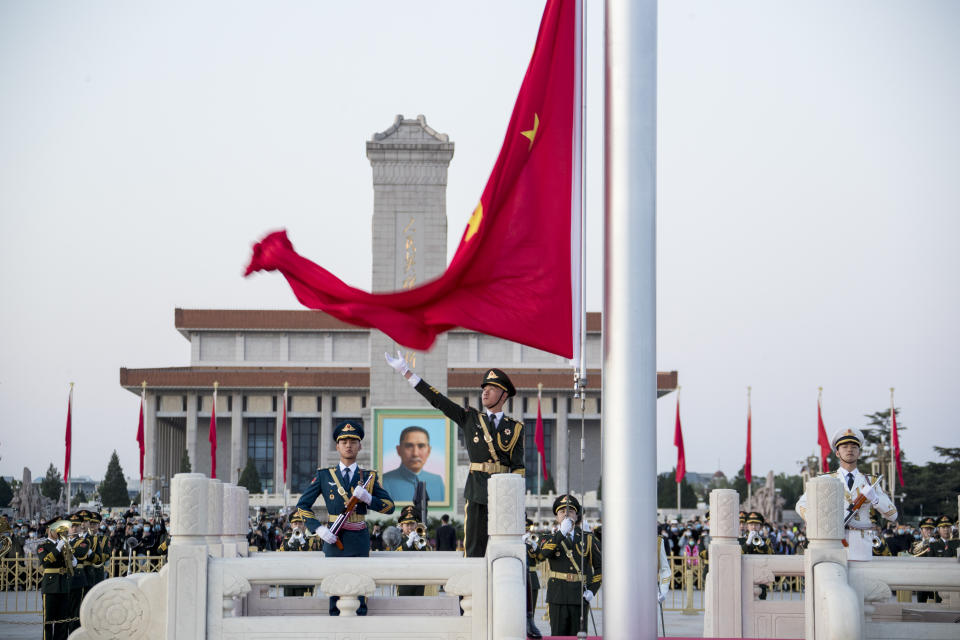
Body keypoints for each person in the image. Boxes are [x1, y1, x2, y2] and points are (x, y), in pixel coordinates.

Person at [385, 351, 524, 557]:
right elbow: (438, 400)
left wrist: (517, 500)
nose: (485, 393)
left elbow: (518, 467)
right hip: (477, 490)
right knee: (474, 548)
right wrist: (407, 373)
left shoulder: (515, 428)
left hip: (502, 492)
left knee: (504, 547)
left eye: (492, 389)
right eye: (484, 388)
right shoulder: (470, 419)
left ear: (504, 396)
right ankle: (468, 590)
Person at [295, 420, 395, 616]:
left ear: (360, 446)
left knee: (360, 589)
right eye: (344, 441)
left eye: (353, 441)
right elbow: (302, 505)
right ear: (337, 446)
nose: (348, 445)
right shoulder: (324, 475)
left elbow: (390, 507)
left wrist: (369, 498)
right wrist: (318, 529)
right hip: (334, 537)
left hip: (359, 539)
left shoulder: (369, 476)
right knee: (335, 590)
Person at [795, 427, 897, 562]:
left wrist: (875, 499)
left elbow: (893, 515)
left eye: (854, 447)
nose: (850, 449)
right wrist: (817, 520)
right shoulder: (825, 480)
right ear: (837, 453)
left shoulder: (869, 482)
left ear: (859, 452)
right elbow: (801, 505)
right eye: (845, 446)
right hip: (833, 544)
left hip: (862, 546)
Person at [536, 494, 601, 637]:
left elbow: (600, 567)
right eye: (562, 512)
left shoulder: (588, 538)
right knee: (558, 635)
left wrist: (592, 590)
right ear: (557, 517)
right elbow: (541, 556)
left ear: (576, 516)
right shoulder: (547, 537)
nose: (566, 514)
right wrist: (561, 533)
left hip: (580, 596)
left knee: (579, 636)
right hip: (557, 596)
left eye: (570, 511)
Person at [382, 425, 446, 502]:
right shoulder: (383, 482)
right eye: (409, 446)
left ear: (429, 451)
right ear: (399, 450)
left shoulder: (437, 481)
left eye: (421, 446)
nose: (415, 453)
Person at [38, 517, 73, 640]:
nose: (59, 531)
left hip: (63, 584)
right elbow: (46, 562)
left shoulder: (63, 544)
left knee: (62, 621)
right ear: (49, 530)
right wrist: (57, 548)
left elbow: (70, 563)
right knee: (48, 621)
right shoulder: (43, 545)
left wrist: (71, 557)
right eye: (56, 529)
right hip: (50, 586)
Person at [393, 505, 429, 596]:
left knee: (419, 604)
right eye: (407, 524)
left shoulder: (420, 538)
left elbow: (426, 551)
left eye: (412, 524)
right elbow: (395, 553)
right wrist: (408, 543)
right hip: (403, 577)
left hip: (419, 577)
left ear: (416, 525)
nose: (410, 527)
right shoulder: (397, 538)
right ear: (401, 525)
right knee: (403, 604)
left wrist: (417, 541)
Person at [740, 512, 774, 599]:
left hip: (761, 575)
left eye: (756, 525)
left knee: (761, 598)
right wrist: (747, 542)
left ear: (761, 527)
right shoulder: (741, 541)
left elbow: (772, 555)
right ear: (747, 526)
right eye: (751, 524)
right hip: (745, 574)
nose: (754, 527)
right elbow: (738, 554)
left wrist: (763, 544)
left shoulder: (766, 541)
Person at [522, 517, 542, 639]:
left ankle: (530, 628)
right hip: (518, 577)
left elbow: (540, 558)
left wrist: (534, 547)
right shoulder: (519, 541)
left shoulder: (531, 543)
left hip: (532, 578)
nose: (527, 533)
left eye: (528, 530)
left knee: (531, 610)